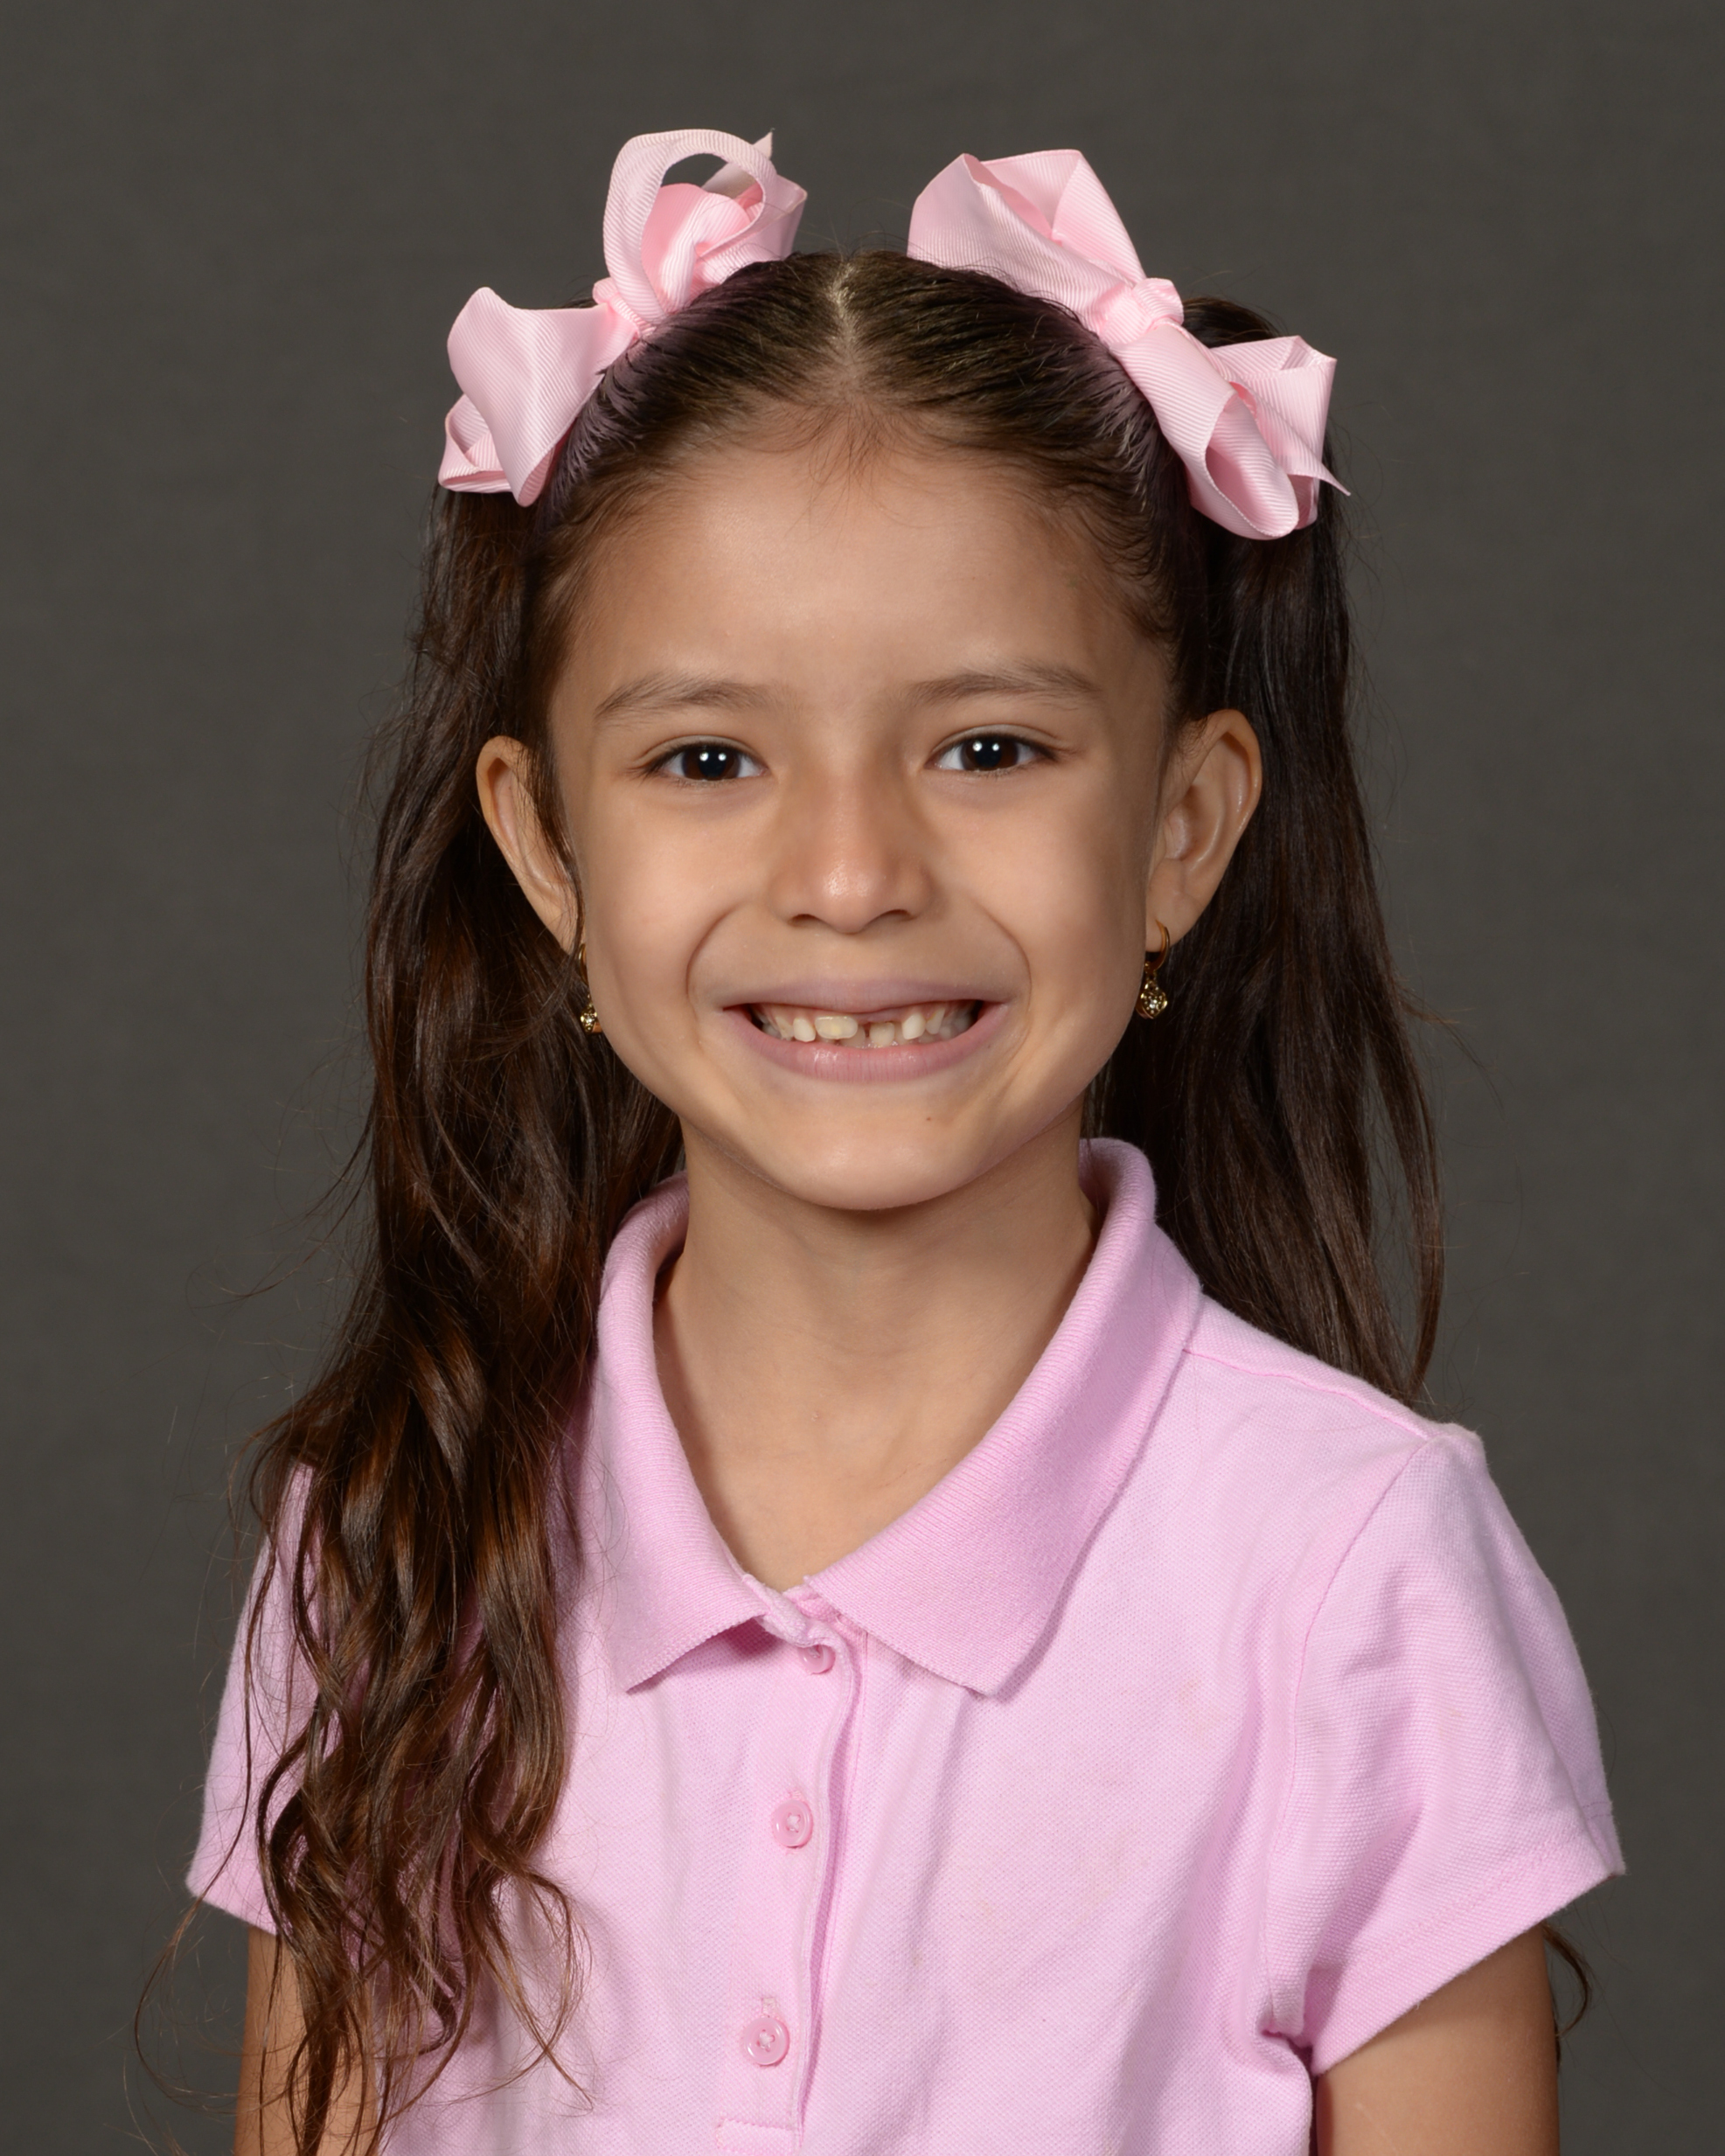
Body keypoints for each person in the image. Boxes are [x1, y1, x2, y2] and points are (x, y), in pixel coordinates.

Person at [186, 129, 1621, 2155]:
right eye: (708, 757)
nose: (851, 873)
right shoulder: (388, 1537)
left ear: (1185, 829)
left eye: (987, 748)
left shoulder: (1350, 1573)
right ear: (547, 848)